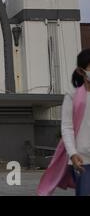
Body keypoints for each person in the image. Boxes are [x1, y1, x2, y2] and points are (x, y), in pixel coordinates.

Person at [38, 49, 90, 196]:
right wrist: (73, 154)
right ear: (81, 71)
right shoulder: (72, 96)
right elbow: (67, 128)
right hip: (82, 159)